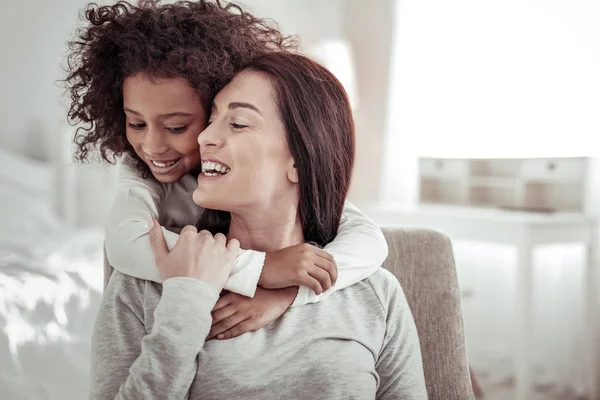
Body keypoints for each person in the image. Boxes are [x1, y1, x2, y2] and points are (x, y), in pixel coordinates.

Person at [90, 51, 428, 399]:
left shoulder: (373, 292)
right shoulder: (146, 282)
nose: (204, 137)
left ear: (300, 161)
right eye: (211, 119)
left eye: (237, 123)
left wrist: (291, 290)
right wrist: (186, 301)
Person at [64, 0, 388, 340]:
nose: (152, 147)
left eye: (176, 127)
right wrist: (261, 270)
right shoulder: (141, 174)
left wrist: (287, 293)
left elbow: (369, 241)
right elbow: (123, 242)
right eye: (135, 123)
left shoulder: (250, 174)